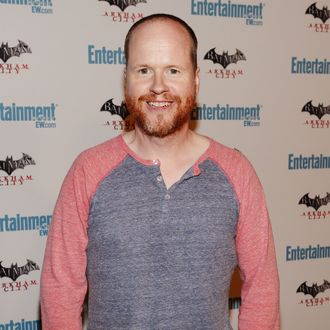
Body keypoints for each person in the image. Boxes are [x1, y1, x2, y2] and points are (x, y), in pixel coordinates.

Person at [40, 13, 280, 330]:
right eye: (144, 71)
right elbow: (60, 293)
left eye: (173, 70)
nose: (158, 86)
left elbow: (263, 291)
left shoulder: (236, 173)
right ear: (126, 79)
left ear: (196, 78)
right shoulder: (88, 171)